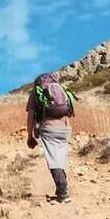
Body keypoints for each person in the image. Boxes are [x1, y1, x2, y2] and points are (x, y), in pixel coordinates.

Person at [26, 71, 75, 203]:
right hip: (65, 128)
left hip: (49, 129)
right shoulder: (61, 89)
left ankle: (63, 191)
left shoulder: (36, 92)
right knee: (61, 158)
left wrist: (30, 135)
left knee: (53, 160)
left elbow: (31, 116)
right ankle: (62, 190)